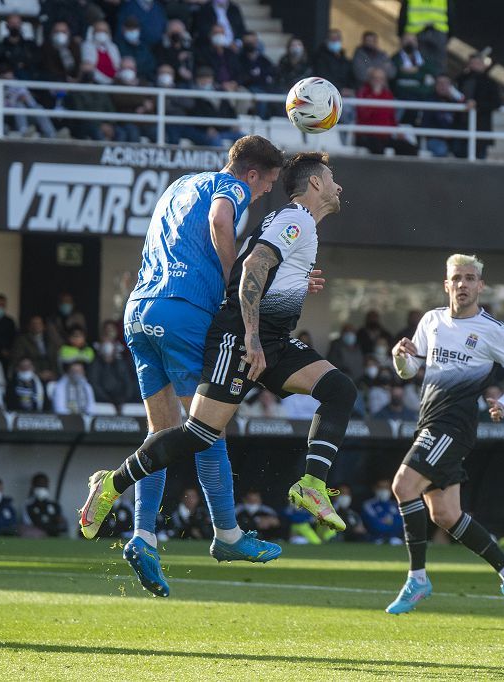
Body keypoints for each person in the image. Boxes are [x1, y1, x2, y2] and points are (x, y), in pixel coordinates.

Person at [80, 153, 357, 573]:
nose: (339, 187)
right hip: (237, 335)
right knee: (200, 434)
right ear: (315, 184)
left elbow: (261, 264)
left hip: (249, 335)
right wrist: (248, 333)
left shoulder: (291, 224)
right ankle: (118, 485)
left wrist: (296, 281)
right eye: (332, 178)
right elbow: (250, 263)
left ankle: (312, 484)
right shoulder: (287, 215)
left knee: (339, 388)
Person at [81, 136, 286, 597]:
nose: (262, 193)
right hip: (184, 312)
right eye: (266, 184)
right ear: (250, 174)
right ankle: (228, 533)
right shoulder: (230, 189)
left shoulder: (180, 185)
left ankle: (143, 536)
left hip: (139, 313)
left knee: (164, 434)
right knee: (207, 426)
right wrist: (237, 284)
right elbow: (218, 220)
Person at [385, 254, 504, 618]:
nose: (464, 284)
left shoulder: (493, 330)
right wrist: (399, 357)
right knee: (446, 515)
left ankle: (417, 578)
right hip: (429, 421)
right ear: (446, 284)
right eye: (457, 278)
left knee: (404, 486)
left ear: (481, 286)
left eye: (470, 278)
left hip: (453, 427)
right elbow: (409, 370)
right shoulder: (432, 321)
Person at [456, 54, 502, 159]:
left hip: (481, 126)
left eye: (477, 63)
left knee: (479, 156)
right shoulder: (461, 80)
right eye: (472, 63)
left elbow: (496, 103)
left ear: (483, 65)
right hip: (462, 125)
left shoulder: (490, 82)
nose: (474, 66)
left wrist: (477, 104)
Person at [88, 338, 137, 407]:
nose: (108, 357)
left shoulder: (121, 364)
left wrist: (124, 399)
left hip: (123, 401)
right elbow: (94, 383)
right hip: (102, 402)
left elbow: (128, 382)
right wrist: (108, 400)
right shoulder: (96, 364)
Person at [11, 316, 59, 382]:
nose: (37, 326)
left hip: (51, 376)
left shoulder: (50, 340)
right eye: (34, 323)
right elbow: (19, 360)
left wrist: (53, 373)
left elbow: (55, 359)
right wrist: (38, 374)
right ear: (29, 326)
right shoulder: (22, 341)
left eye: (39, 323)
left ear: (43, 326)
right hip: (31, 375)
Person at [21, 473, 67, 538]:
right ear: (33, 486)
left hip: (53, 533)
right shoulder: (28, 505)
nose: (42, 488)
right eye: (39, 485)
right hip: (36, 534)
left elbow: (61, 521)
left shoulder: (54, 505)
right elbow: (28, 523)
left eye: (44, 485)